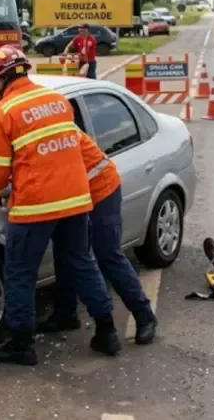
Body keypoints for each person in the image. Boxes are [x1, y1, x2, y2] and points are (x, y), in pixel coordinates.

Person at [0, 47, 120, 366]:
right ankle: (107, 330)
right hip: (77, 199)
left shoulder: (3, 113)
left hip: (35, 205)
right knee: (82, 263)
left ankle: (21, 344)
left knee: (20, 272)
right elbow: (48, 150)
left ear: (0, 77)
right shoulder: (57, 101)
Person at [36, 131, 157, 345]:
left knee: (107, 254)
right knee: (66, 251)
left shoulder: (38, 124)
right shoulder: (32, 117)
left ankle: (144, 315)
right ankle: (65, 313)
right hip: (72, 195)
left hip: (101, 190)